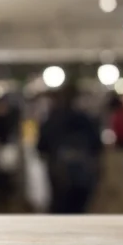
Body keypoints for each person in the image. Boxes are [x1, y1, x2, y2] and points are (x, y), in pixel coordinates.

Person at [37, 85, 102, 214]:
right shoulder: (85, 119)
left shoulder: (52, 120)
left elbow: (41, 147)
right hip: (82, 175)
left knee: (59, 209)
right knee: (80, 209)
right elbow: (97, 145)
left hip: (59, 174)